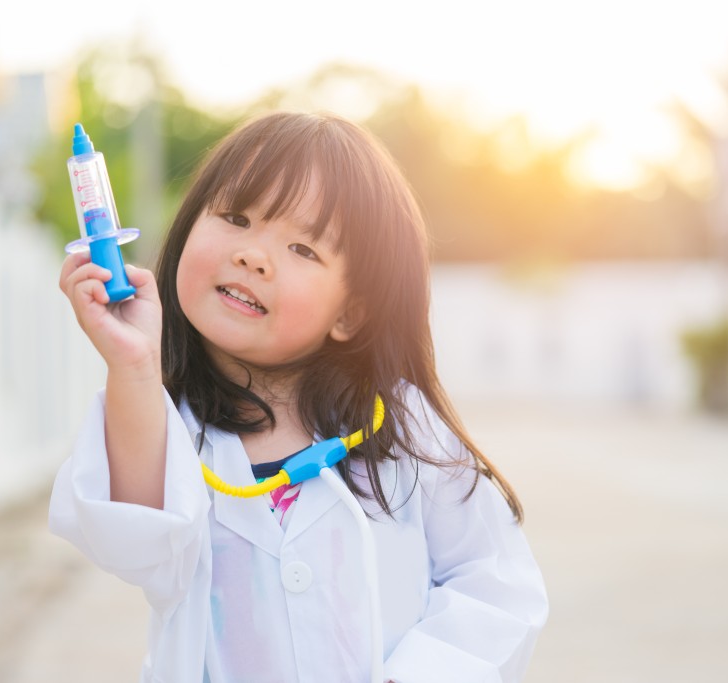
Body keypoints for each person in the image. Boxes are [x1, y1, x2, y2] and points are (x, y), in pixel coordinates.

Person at [50, 111, 548, 683]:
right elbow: (133, 542)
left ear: (351, 312)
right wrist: (135, 365)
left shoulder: (403, 424)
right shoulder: (166, 427)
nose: (254, 256)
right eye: (236, 217)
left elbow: (495, 580)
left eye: (304, 250)